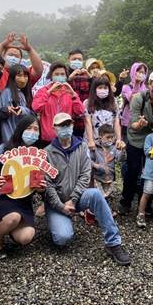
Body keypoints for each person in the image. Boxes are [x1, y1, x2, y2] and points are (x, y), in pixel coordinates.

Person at [43, 113, 131, 265]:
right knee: (62, 238)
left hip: (77, 198)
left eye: (68, 124)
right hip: (57, 203)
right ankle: (58, 219)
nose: (66, 128)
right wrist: (61, 206)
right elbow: (47, 184)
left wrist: (73, 200)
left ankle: (113, 243)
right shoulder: (46, 152)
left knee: (96, 194)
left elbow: (85, 175)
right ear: (54, 128)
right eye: (61, 125)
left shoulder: (82, 147)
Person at [0, 115, 44, 259]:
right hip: (2, 197)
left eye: (36, 129)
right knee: (13, 218)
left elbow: (39, 186)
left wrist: (41, 189)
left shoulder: (38, 154)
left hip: (23, 201)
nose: (32, 132)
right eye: (29, 128)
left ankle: (5, 227)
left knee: (26, 237)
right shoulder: (4, 148)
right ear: (20, 129)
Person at [119, 69, 153, 215]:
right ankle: (125, 201)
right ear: (149, 84)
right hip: (136, 139)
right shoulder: (139, 98)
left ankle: (145, 205)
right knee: (133, 170)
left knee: (150, 173)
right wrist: (140, 124)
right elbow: (132, 123)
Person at [32, 62, 85, 143]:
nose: (59, 76)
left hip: (66, 136)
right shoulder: (43, 91)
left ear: (66, 76)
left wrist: (73, 94)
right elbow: (36, 108)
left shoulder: (70, 93)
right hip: (48, 138)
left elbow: (80, 111)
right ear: (51, 76)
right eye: (56, 74)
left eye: (62, 74)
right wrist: (49, 92)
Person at [84, 75, 125, 150]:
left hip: (110, 142)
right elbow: (88, 122)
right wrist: (90, 141)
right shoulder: (87, 103)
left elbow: (116, 121)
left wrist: (119, 139)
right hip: (94, 142)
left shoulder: (114, 102)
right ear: (94, 89)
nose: (102, 90)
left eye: (105, 88)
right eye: (100, 87)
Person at [0, 63, 34, 143]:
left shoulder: (22, 93)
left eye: (25, 76)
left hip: (23, 138)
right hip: (11, 139)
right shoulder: (7, 92)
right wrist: (11, 141)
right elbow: (7, 120)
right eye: (19, 75)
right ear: (12, 77)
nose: (23, 79)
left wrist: (24, 110)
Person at [90, 124, 123, 200]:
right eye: (108, 137)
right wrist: (96, 165)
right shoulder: (95, 148)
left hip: (110, 178)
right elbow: (88, 160)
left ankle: (105, 210)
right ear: (100, 136)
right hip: (98, 177)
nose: (110, 140)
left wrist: (123, 151)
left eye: (112, 137)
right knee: (100, 197)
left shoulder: (114, 148)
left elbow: (119, 159)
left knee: (106, 197)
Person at [120, 62, 148, 141]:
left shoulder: (145, 89)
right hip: (128, 121)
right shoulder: (126, 87)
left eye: (143, 73)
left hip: (141, 121)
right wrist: (136, 84)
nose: (141, 74)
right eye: (139, 71)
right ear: (133, 72)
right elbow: (133, 101)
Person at [67, 49, 92, 137]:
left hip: (84, 120)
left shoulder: (86, 75)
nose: (77, 61)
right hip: (68, 119)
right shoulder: (63, 73)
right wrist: (69, 78)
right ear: (68, 60)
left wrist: (91, 78)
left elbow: (95, 91)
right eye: (74, 59)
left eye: (79, 59)